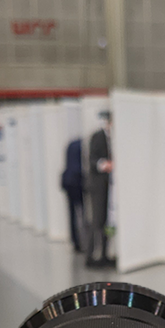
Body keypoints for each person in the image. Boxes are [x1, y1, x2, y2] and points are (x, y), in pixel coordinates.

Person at [86, 111, 116, 268]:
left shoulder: (114, 138)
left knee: (106, 221)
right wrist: (105, 165)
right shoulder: (97, 136)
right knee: (97, 221)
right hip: (98, 186)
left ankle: (104, 255)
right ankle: (90, 256)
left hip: (109, 186)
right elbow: (92, 160)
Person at [61, 138, 84, 253]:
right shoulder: (81, 146)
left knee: (72, 213)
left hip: (68, 183)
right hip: (77, 184)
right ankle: (81, 241)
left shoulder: (71, 145)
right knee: (82, 213)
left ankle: (75, 240)